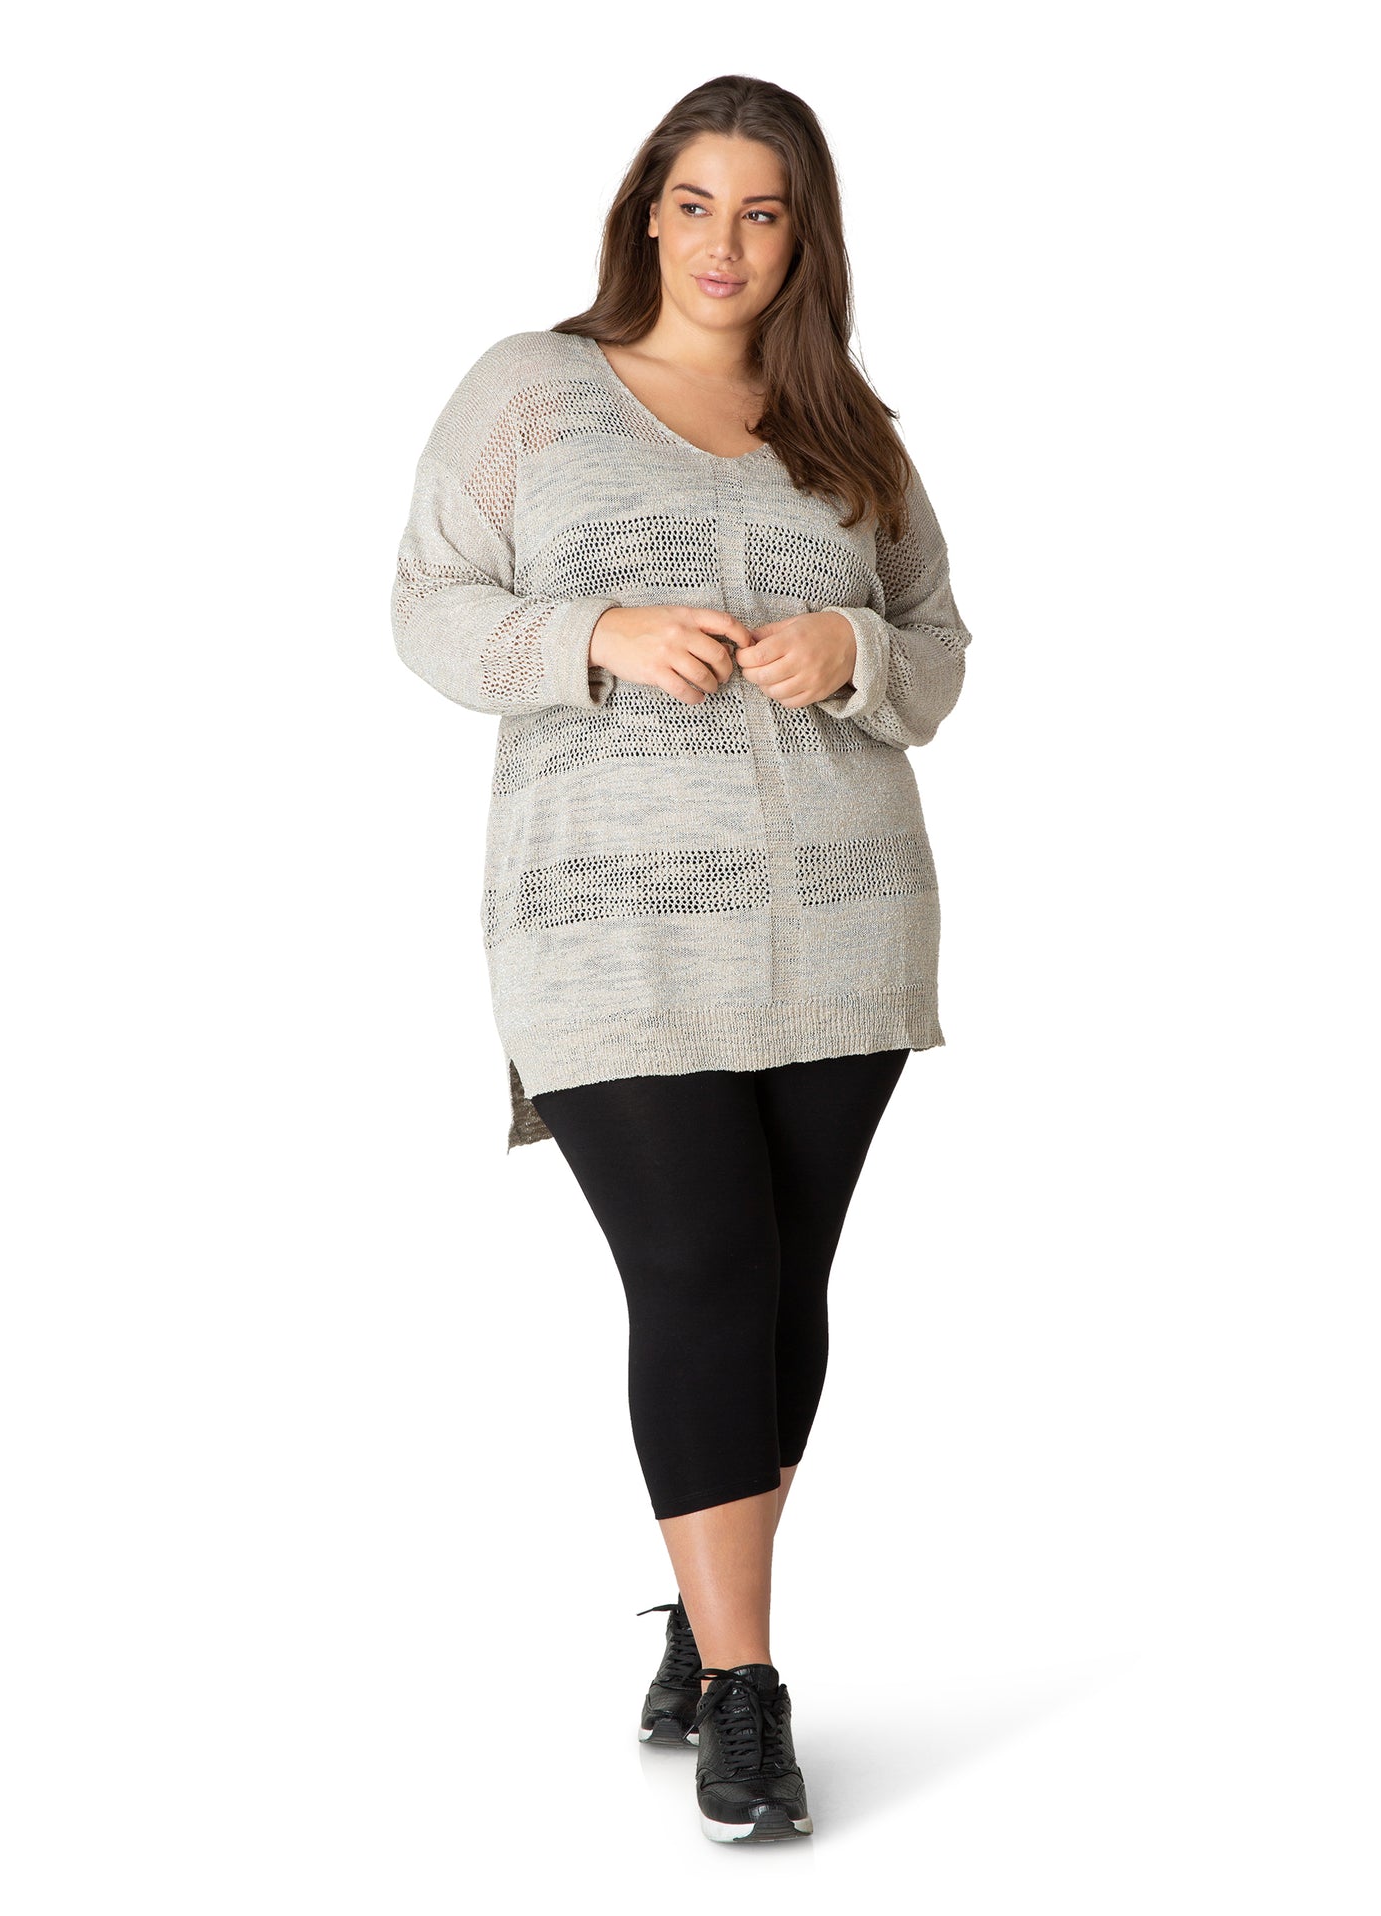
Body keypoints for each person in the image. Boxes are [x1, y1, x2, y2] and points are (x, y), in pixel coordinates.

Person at [389, 73, 974, 1844]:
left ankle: (701, 1623)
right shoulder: (532, 391)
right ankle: (746, 1687)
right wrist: (597, 631)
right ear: (649, 208)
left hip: (842, 923)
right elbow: (427, 607)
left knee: (782, 1290)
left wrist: (853, 651)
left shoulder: (849, 430)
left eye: (763, 212)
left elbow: (939, 652)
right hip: (606, 925)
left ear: (803, 239)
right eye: (699, 202)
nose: (726, 243)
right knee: (706, 1268)